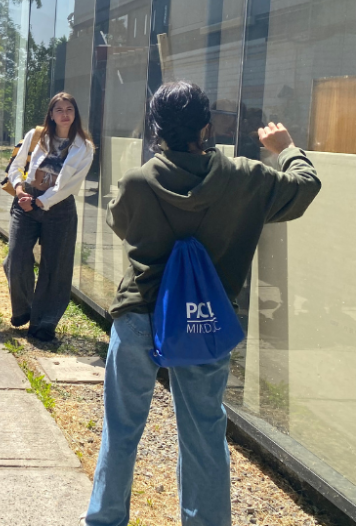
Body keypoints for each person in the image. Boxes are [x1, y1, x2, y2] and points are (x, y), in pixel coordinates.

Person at [83, 82, 321, 526]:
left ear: (157, 130)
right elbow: (306, 187)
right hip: (204, 320)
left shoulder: (138, 181)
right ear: (207, 127)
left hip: (139, 314)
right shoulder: (247, 178)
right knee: (204, 433)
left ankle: (104, 520)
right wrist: (286, 148)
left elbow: (120, 221)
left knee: (122, 428)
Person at [3, 92, 94, 343]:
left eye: (69, 110)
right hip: (26, 198)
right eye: (59, 110)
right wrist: (20, 189)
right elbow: (15, 164)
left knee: (56, 267)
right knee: (17, 256)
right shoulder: (36, 136)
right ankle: (23, 308)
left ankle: (45, 322)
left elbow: (69, 186)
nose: (64, 114)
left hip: (60, 206)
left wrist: (40, 203)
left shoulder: (84, 147)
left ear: (75, 114)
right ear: (51, 115)